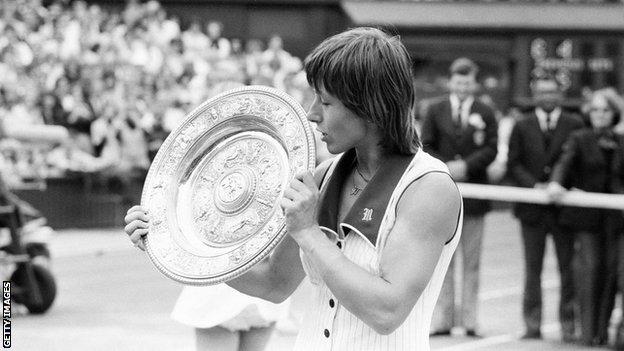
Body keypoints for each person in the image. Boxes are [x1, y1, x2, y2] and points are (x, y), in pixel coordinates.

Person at [125, 27, 462, 350]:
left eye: (326, 103)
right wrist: (172, 240)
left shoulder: (428, 188)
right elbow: (273, 283)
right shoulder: (323, 175)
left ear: (371, 107)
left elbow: (387, 312)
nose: (312, 114)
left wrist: (308, 233)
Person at [420, 57, 498, 337]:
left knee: (472, 261)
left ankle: (470, 320)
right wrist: (446, 167)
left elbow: (491, 148)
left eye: (467, 82)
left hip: (475, 197)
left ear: (474, 84)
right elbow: (425, 145)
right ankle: (442, 318)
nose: (463, 86)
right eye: (458, 81)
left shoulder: (486, 111)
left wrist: (467, 165)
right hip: (443, 196)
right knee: (444, 260)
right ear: (451, 82)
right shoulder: (435, 109)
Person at [507, 75, 584, 341]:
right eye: (542, 92)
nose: (547, 97)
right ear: (534, 95)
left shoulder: (575, 124)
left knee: (569, 269)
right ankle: (532, 324)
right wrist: (535, 187)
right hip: (532, 210)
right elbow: (513, 163)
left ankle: (568, 324)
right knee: (532, 269)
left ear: (560, 95)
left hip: (565, 210)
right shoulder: (521, 124)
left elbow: (579, 161)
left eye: (552, 92)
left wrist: (558, 185)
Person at [547, 90, 624, 346]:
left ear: (614, 113)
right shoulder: (579, 138)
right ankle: (588, 334)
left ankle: (604, 333)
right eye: (595, 110)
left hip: (615, 220)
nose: (599, 115)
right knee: (589, 272)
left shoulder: (621, 141)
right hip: (586, 220)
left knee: (611, 274)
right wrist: (556, 183)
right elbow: (564, 163)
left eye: (605, 110)